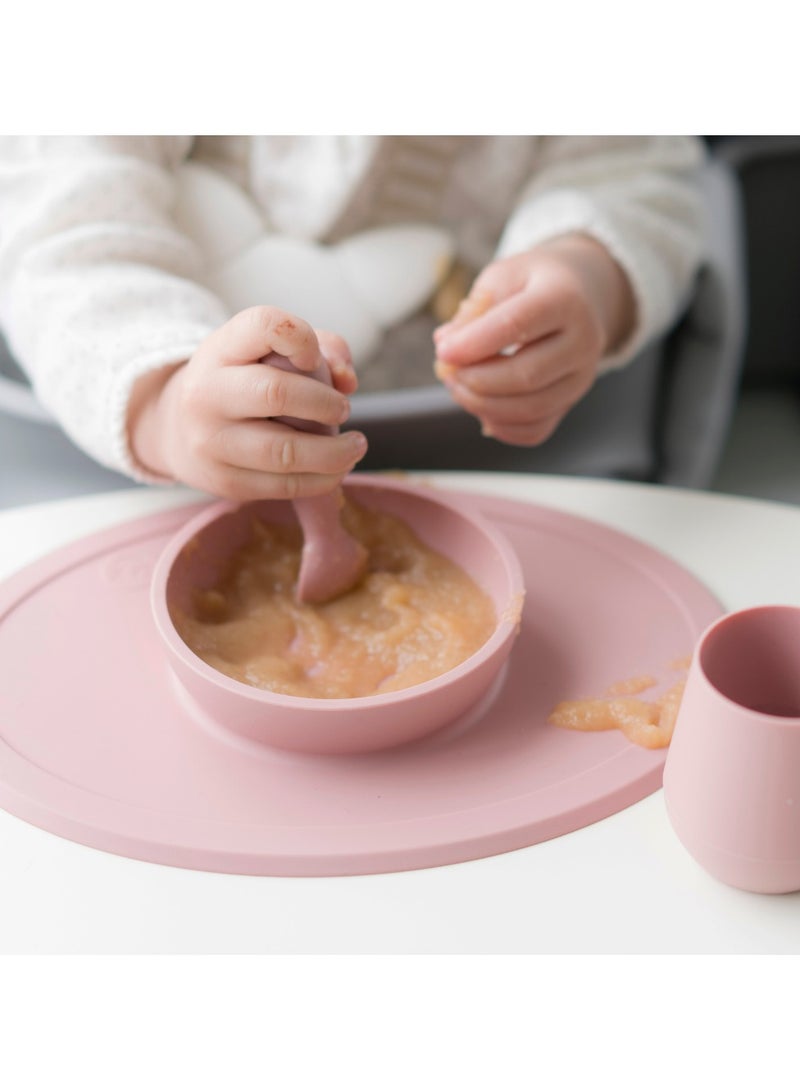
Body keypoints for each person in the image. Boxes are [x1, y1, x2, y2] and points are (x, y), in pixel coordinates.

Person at [0, 136, 705, 500]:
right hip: (167, 476)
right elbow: (60, 234)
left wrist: (585, 270)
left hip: (502, 449)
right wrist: (164, 405)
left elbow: (634, 175)